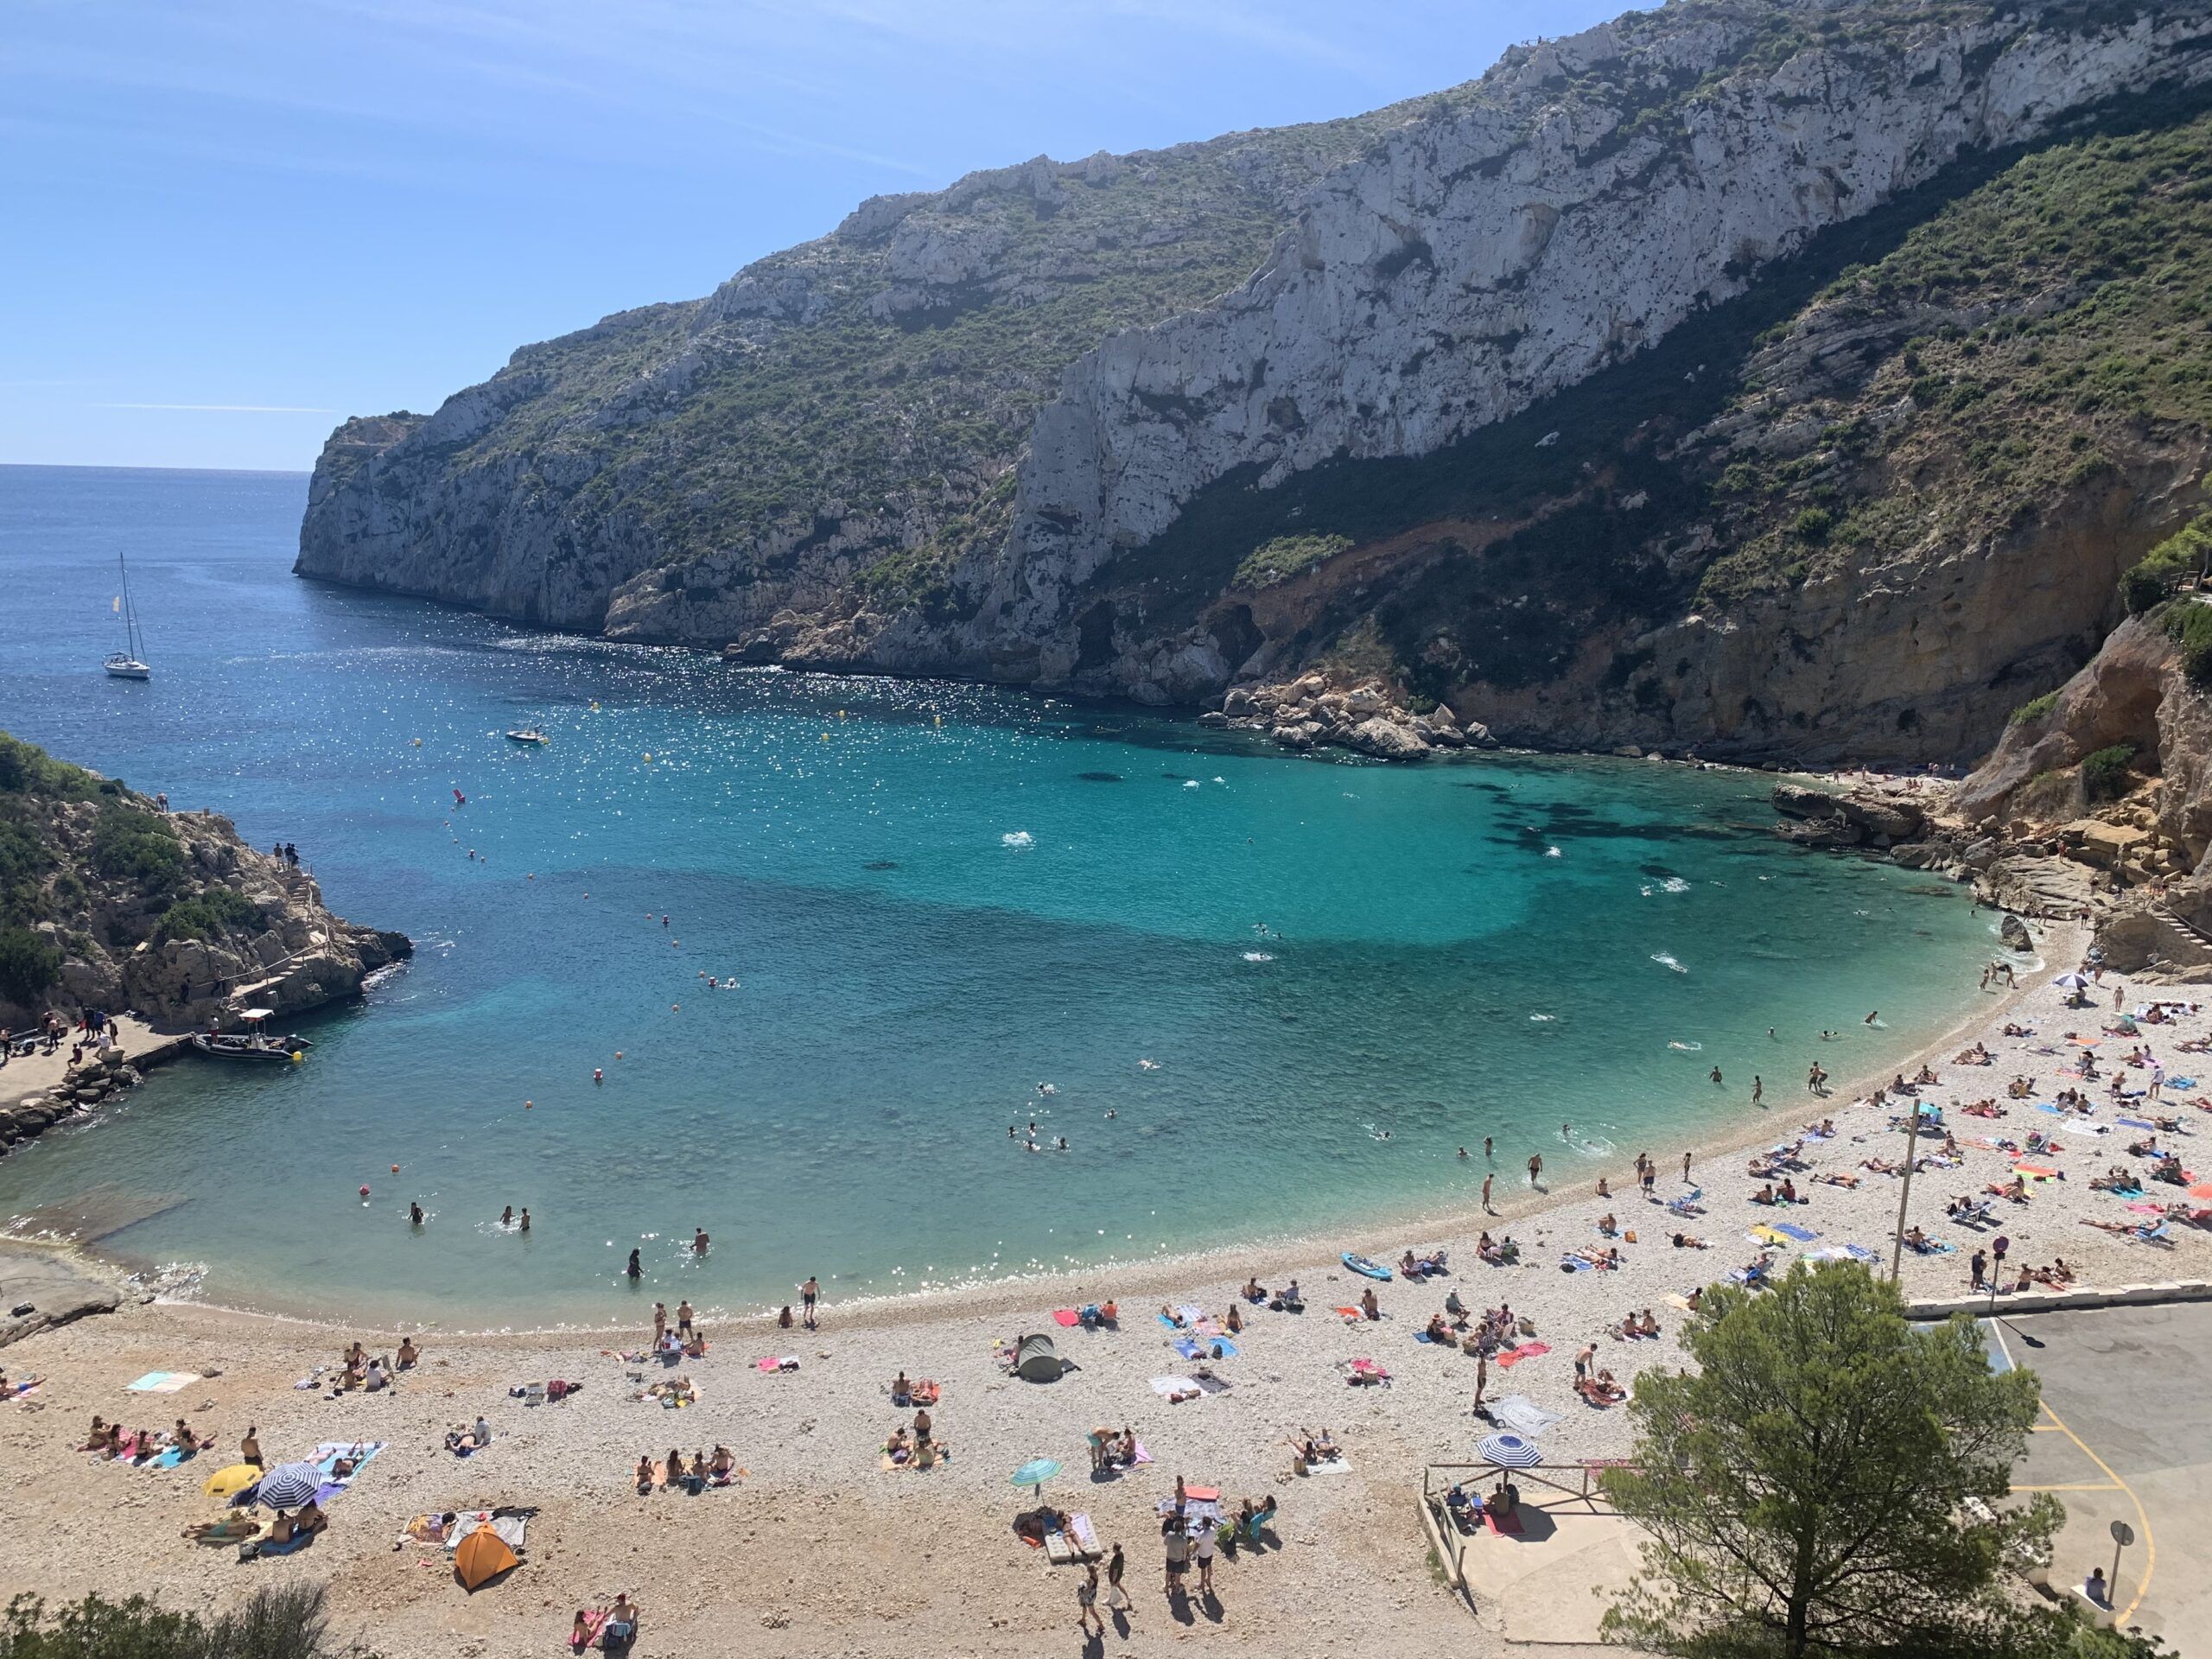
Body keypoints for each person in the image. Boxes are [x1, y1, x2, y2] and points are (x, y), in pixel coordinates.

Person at [1077, 1561, 1104, 1634]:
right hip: (1093, 1594)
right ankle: (1083, 1620)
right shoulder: (1096, 1574)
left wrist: (1082, 1590)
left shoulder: (1091, 1580)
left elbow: (1087, 1590)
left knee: (1092, 1611)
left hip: (1090, 1597)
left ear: (1089, 1571)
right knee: (1084, 1606)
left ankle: (1101, 1625)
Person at [1194, 1517, 1217, 1593]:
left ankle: (1202, 1584)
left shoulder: (1202, 1534)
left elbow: (1197, 1545)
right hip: (1210, 1552)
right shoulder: (1213, 1530)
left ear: (1204, 1524)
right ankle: (1209, 1580)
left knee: (1203, 1569)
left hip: (1203, 1554)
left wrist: (1193, 1553)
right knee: (1209, 1565)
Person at [1106, 1541, 1130, 1612]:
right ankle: (1128, 1597)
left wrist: (1113, 1580)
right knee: (1119, 1586)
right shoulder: (1121, 1554)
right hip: (1119, 1574)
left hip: (1115, 1576)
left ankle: (1110, 1600)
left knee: (1113, 1587)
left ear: (1115, 1550)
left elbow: (1115, 1571)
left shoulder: (1116, 1559)